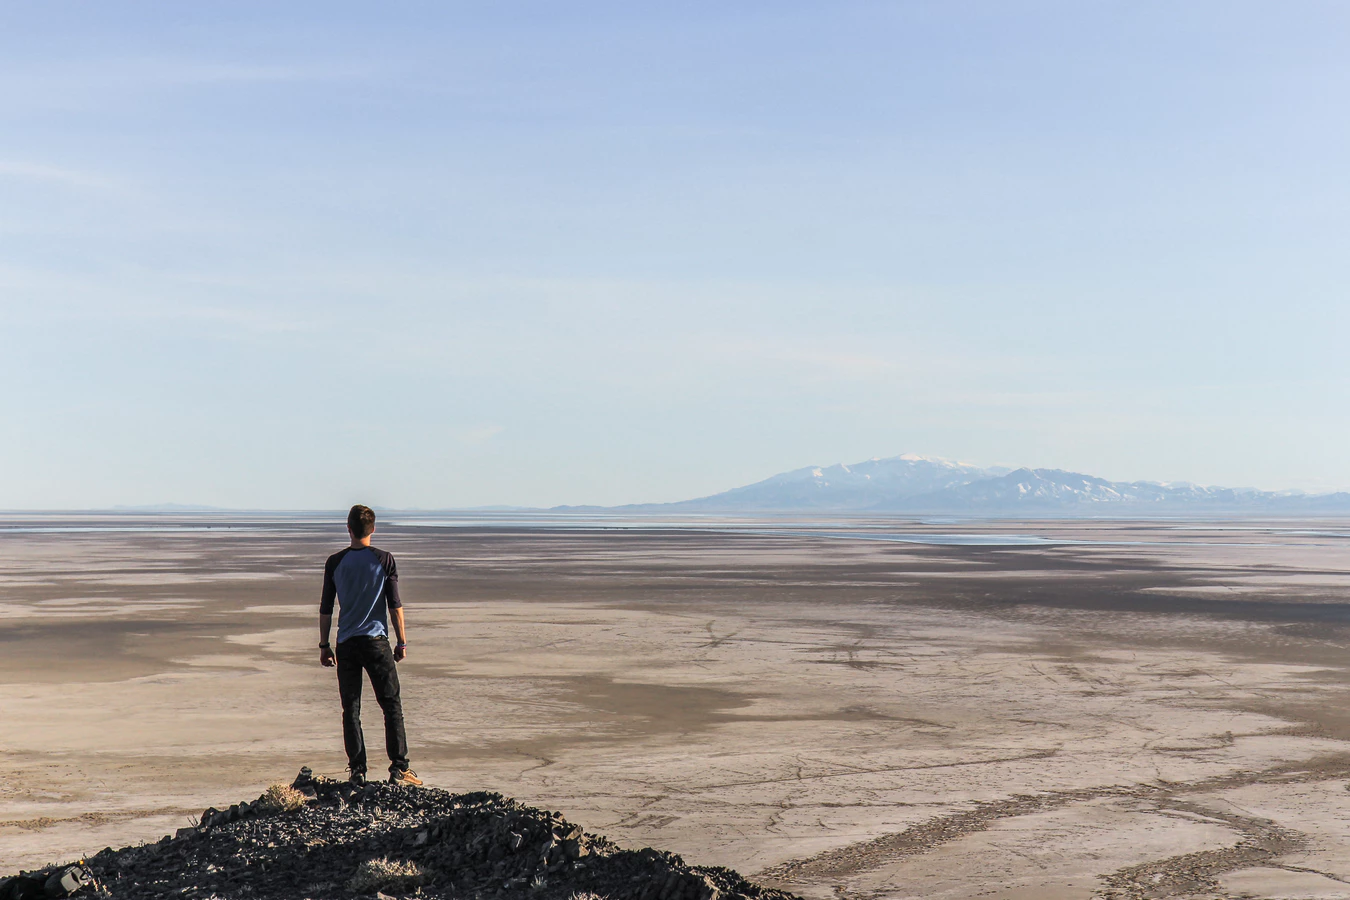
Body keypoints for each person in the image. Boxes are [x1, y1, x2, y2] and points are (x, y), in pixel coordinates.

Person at [318, 504, 422, 786]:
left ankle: (357, 770)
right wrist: (402, 641)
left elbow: (326, 608)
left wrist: (324, 645)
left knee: (351, 708)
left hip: (346, 644)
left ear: (348, 529)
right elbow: (395, 605)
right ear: (373, 529)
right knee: (391, 705)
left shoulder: (335, 562)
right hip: (376, 642)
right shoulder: (384, 560)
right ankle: (399, 768)